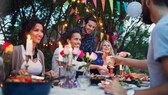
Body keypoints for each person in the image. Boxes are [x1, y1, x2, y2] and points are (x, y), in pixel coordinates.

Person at [104, 0, 168, 95]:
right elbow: (155, 64)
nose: (141, 8)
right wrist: (122, 60)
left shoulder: (161, 28)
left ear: (148, 2)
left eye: (141, 3)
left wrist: (126, 93)